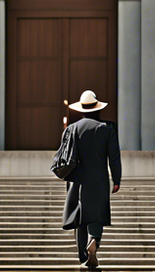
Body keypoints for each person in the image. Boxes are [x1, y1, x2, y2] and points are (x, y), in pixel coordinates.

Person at [60, 90, 122, 269]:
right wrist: (116, 179)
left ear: (82, 110)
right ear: (97, 109)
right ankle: (94, 240)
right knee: (96, 215)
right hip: (100, 179)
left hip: (78, 180)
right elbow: (114, 157)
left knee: (80, 217)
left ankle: (83, 256)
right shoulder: (107, 128)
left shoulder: (72, 128)